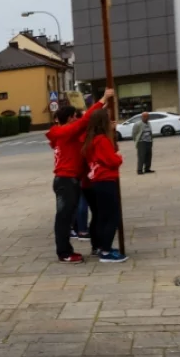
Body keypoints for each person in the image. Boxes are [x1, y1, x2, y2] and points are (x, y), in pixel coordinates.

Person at [46, 88, 113, 263]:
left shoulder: (65, 133)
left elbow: (86, 125)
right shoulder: (65, 132)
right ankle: (64, 253)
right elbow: (84, 121)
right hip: (66, 180)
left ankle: (84, 247)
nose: (77, 120)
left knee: (67, 216)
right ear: (69, 119)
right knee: (64, 218)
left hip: (72, 179)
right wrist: (102, 98)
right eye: (75, 117)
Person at [82, 109, 128, 263]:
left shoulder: (90, 140)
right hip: (106, 179)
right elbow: (111, 160)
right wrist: (118, 158)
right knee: (113, 216)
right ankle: (106, 251)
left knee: (103, 216)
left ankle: (102, 247)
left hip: (97, 181)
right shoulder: (101, 140)